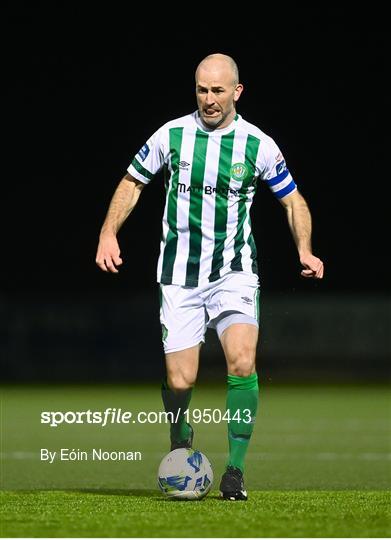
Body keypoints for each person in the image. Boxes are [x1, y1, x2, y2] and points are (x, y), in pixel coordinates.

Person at [96, 53, 324, 501]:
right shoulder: (172, 134)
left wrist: (304, 248)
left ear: (237, 91)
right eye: (202, 90)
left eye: (218, 90)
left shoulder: (258, 145)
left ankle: (235, 471)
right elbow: (132, 182)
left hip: (234, 272)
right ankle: (180, 433)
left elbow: (293, 201)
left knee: (242, 361)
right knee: (180, 381)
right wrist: (108, 232)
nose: (209, 99)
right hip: (179, 276)